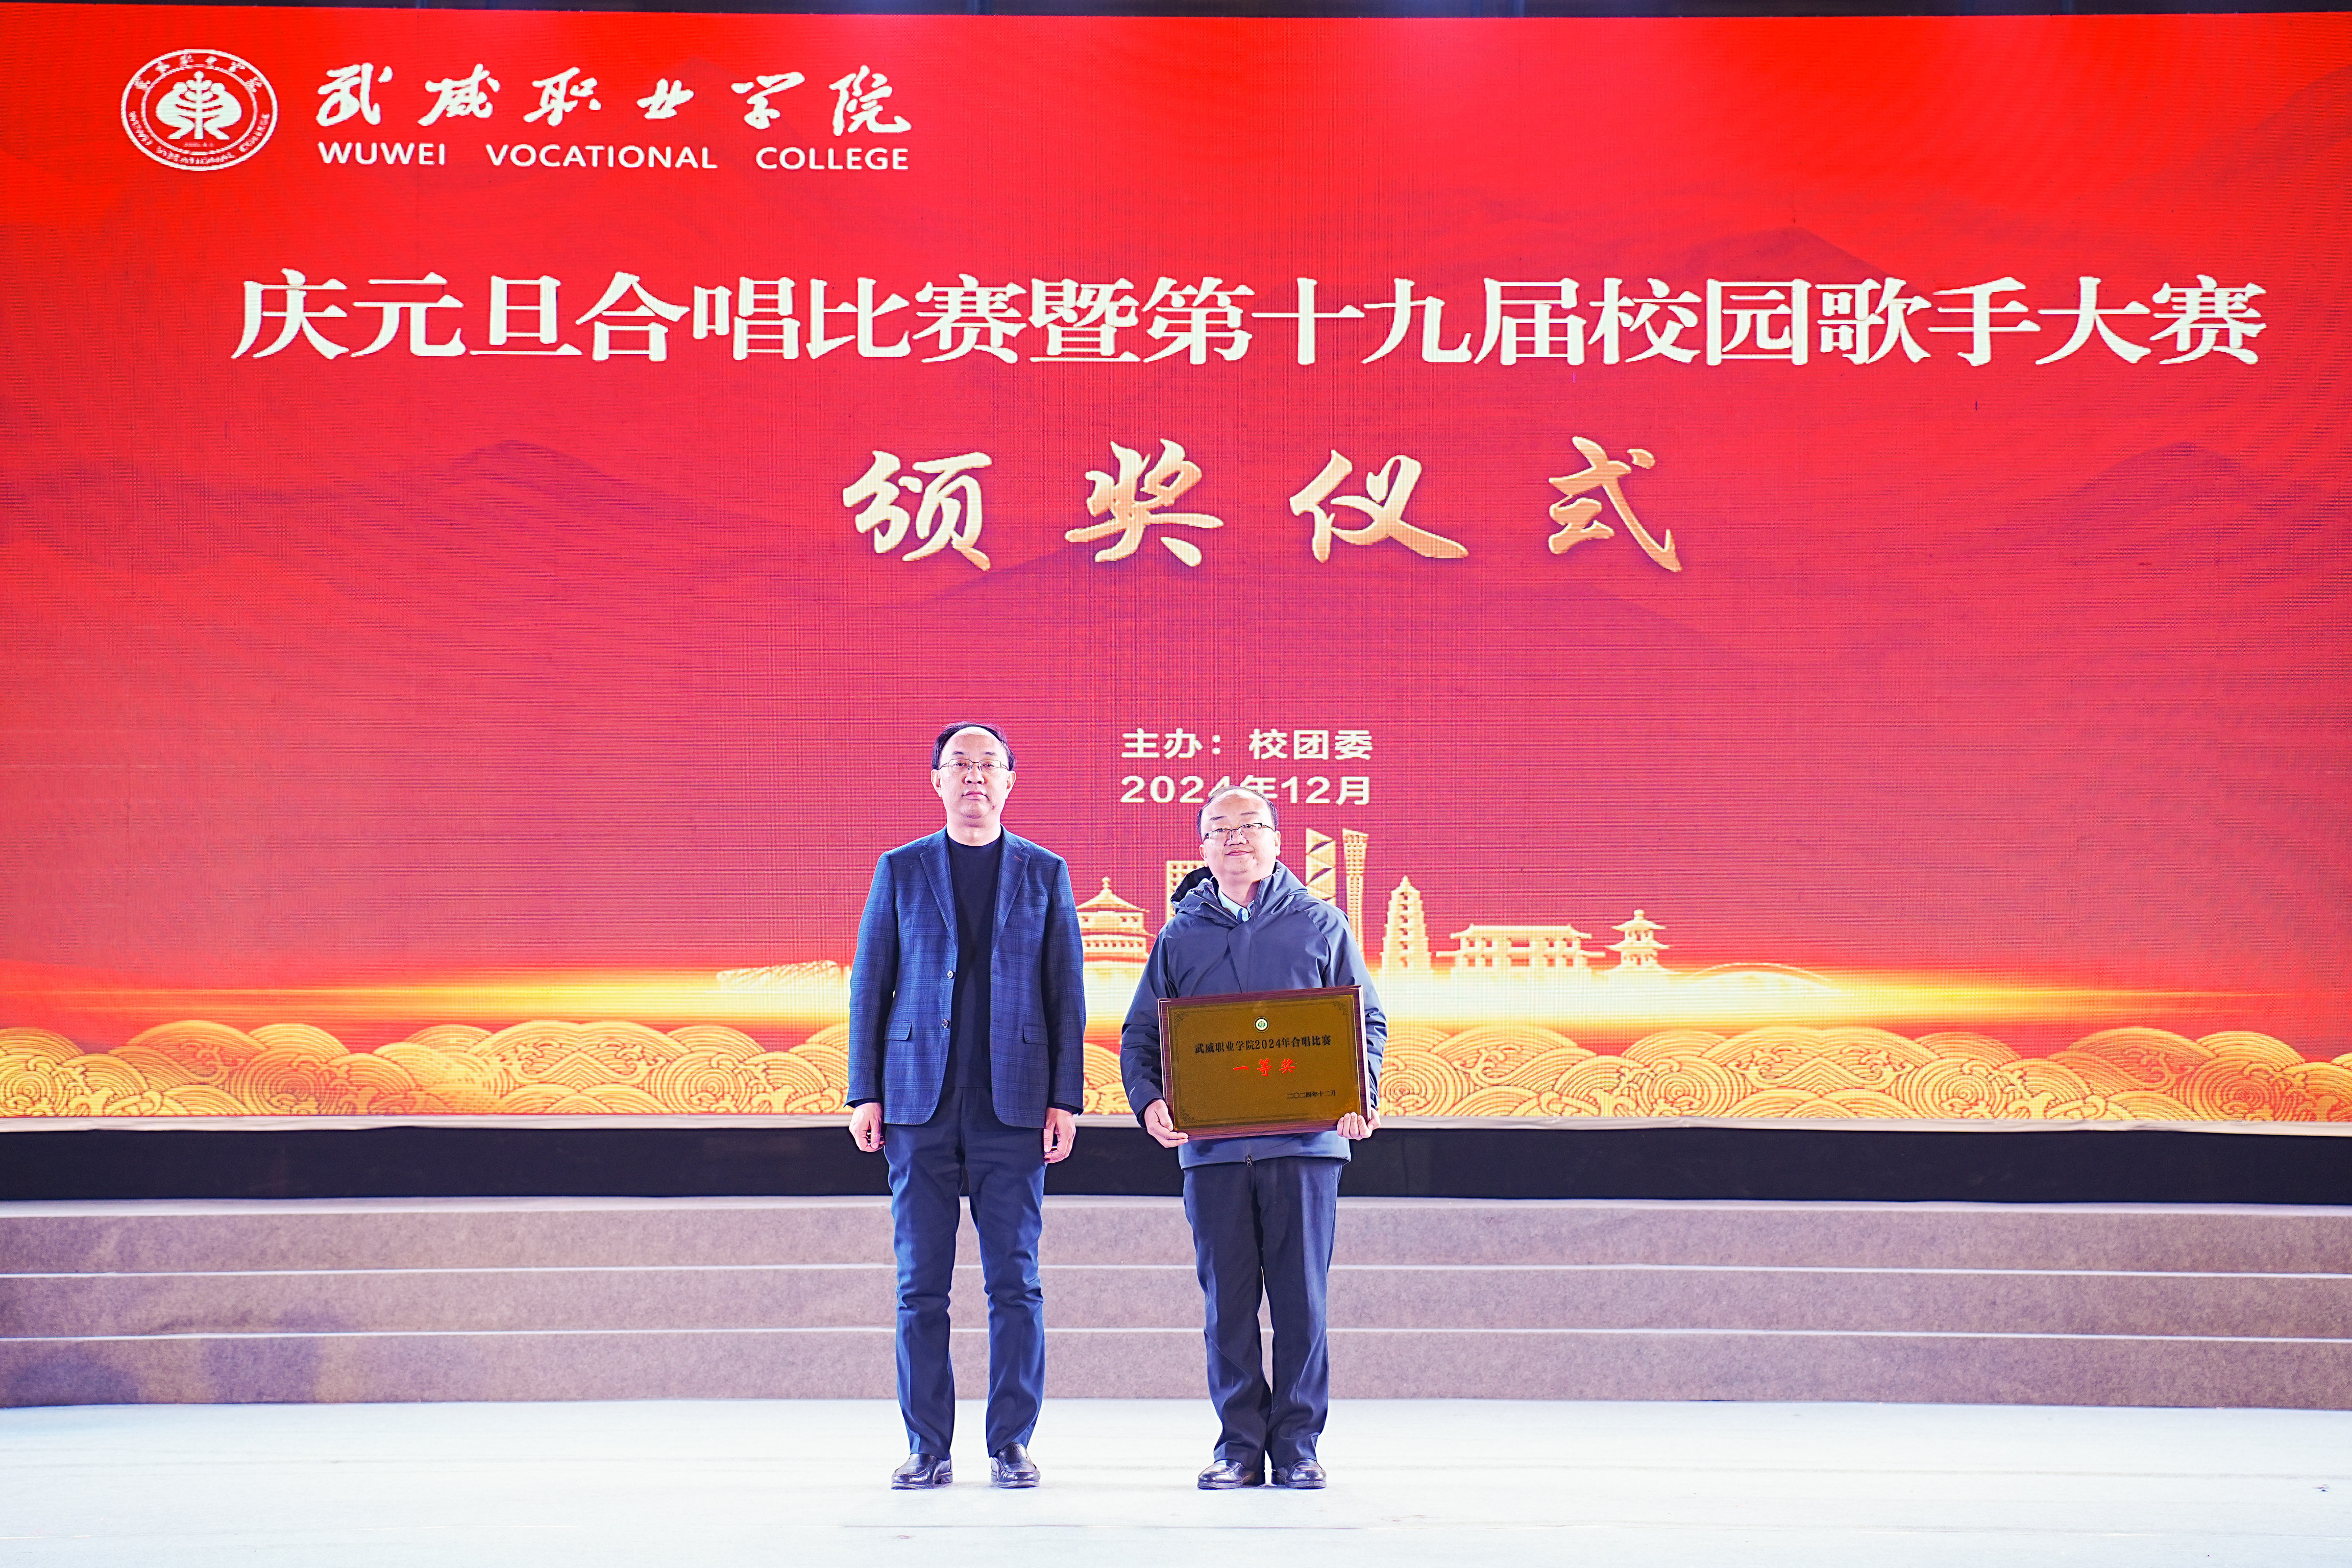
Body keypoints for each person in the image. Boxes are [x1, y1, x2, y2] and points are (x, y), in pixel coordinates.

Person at [1120, 786, 1384, 1490]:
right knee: (1228, 1307)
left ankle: (1297, 1446)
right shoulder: (1178, 937)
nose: (1236, 838)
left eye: (1250, 825)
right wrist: (1150, 1103)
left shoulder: (1322, 925)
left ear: (1277, 840)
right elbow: (1142, 1036)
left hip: (1304, 1147)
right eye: (1220, 828)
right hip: (1212, 1152)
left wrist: (1359, 1094)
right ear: (1202, 847)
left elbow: (1366, 1023)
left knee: (1302, 1303)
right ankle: (1238, 1446)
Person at [848, 722, 1086, 1489]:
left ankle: (1011, 1443)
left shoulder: (1045, 872)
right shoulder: (901, 867)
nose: (974, 776)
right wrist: (864, 1090)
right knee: (920, 1287)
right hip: (917, 1102)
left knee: (1015, 1284)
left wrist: (1065, 1098)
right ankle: (928, 1446)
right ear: (937, 780)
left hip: (1013, 1107)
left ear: (1011, 780)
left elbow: (1066, 993)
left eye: (989, 765)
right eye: (960, 764)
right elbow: (870, 983)